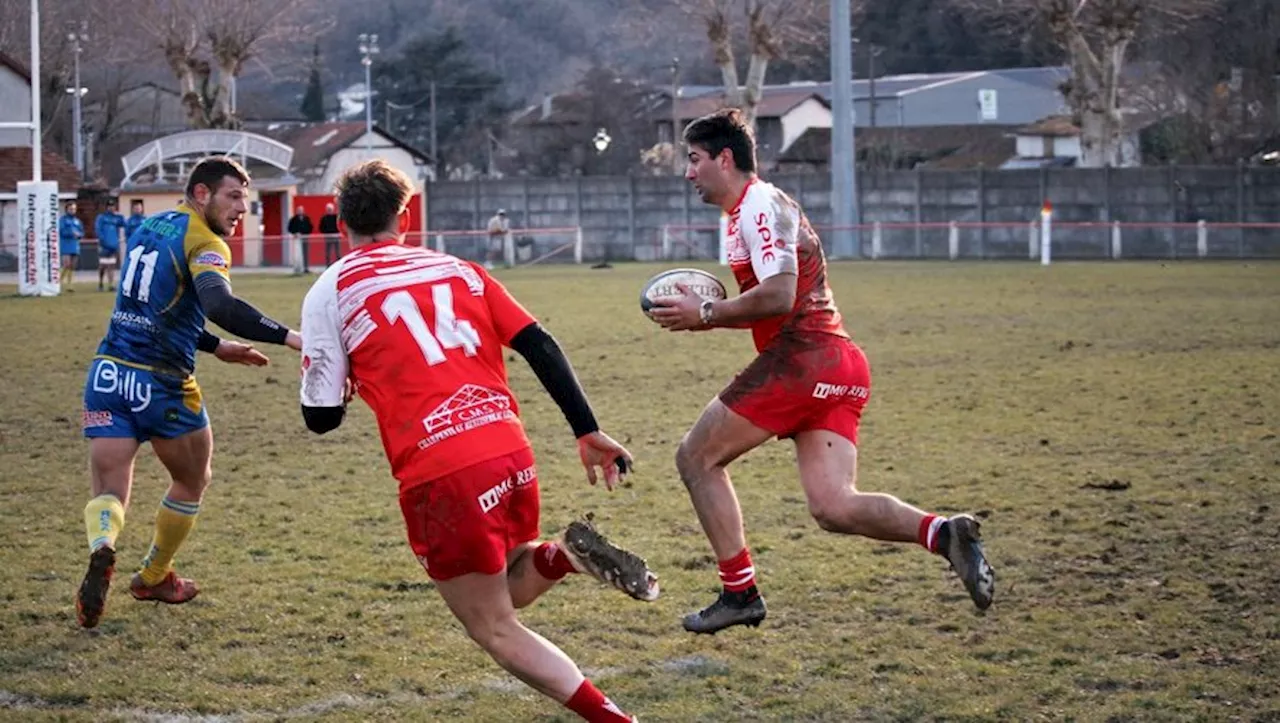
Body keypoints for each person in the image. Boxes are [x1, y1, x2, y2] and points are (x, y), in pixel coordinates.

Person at [299, 159, 655, 722]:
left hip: (442, 471)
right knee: (505, 590)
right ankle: (562, 558)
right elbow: (539, 342)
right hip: (508, 449)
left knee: (494, 626)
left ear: (339, 221)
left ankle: (616, 720)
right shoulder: (459, 269)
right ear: (405, 216)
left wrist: (342, 380)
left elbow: (320, 419)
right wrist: (585, 430)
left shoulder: (332, 289)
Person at [649, 108, 995, 635]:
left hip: (802, 359)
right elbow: (777, 299)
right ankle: (944, 533)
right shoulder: (753, 211)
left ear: (725, 158)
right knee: (834, 506)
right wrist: (709, 319)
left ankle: (739, 592)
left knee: (696, 457)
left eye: (694, 160)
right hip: (839, 363)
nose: (688, 173)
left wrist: (707, 313)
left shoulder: (756, 203)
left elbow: (779, 294)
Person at [76, 156, 304, 630]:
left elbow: (158, 307)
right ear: (202, 194)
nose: (243, 207)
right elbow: (219, 303)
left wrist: (218, 347)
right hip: (164, 384)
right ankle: (153, 576)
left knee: (111, 489)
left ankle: (102, 547)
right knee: (192, 480)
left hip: (110, 374)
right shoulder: (205, 240)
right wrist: (290, 337)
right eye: (234, 196)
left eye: (247, 197)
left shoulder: (150, 227)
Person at [93, 199, 125, 291]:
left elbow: (124, 224)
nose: (112, 208)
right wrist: (102, 240)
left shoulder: (117, 218)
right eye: (110, 206)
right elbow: (98, 229)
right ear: (107, 207)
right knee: (103, 265)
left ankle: (111, 284)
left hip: (113, 245)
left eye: (113, 206)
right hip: (104, 245)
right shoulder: (101, 218)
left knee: (111, 265)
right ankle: (100, 282)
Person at [59, 201, 85, 290]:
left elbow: (82, 232)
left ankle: (70, 285)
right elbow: (61, 231)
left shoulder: (77, 221)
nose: (73, 211)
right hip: (66, 244)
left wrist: (80, 235)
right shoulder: (62, 220)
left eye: (74, 209)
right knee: (66, 264)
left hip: (75, 245)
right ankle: (58, 281)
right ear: (66, 210)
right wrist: (71, 233)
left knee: (73, 265)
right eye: (71, 209)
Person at [286, 205, 314, 273]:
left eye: (301, 210)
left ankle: (306, 268)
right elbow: (289, 228)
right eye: (298, 210)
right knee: (297, 254)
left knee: (305, 253)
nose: (300, 211)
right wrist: (295, 233)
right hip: (297, 239)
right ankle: (297, 268)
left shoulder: (306, 218)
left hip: (305, 238)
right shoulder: (293, 219)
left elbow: (310, 227)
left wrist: (306, 234)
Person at [319, 202, 340, 266]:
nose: (329, 211)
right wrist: (325, 233)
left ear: (333, 210)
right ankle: (328, 265)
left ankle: (338, 264)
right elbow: (321, 227)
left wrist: (337, 232)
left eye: (330, 209)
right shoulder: (324, 218)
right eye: (328, 209)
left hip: (336, 236)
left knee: (337, 251)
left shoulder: (336, 217)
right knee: (328, 252)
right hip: (327, 236)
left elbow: (339, 225)